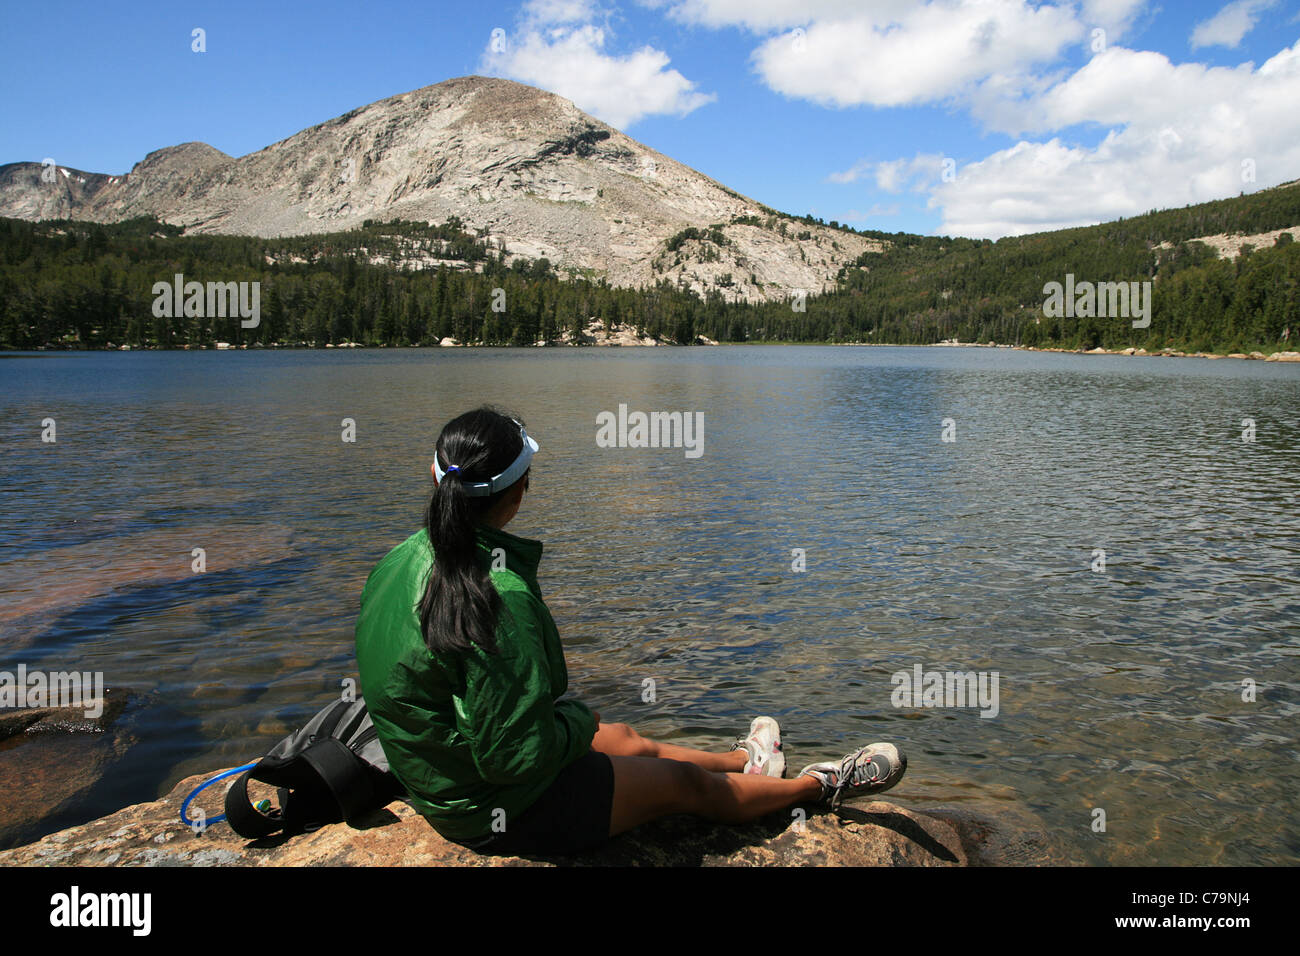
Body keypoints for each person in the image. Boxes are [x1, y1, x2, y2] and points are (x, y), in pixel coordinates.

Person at [354, 405, 906, 856]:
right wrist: (571, 720)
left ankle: (748, 761)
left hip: (445, 776)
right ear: (519, 493)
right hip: (495, 806)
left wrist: (570, 725)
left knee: (623, 739)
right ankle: (821, 785)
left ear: (436, 476)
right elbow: (511, 759)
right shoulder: (499, 596)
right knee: (684, 789)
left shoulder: (397, 562)